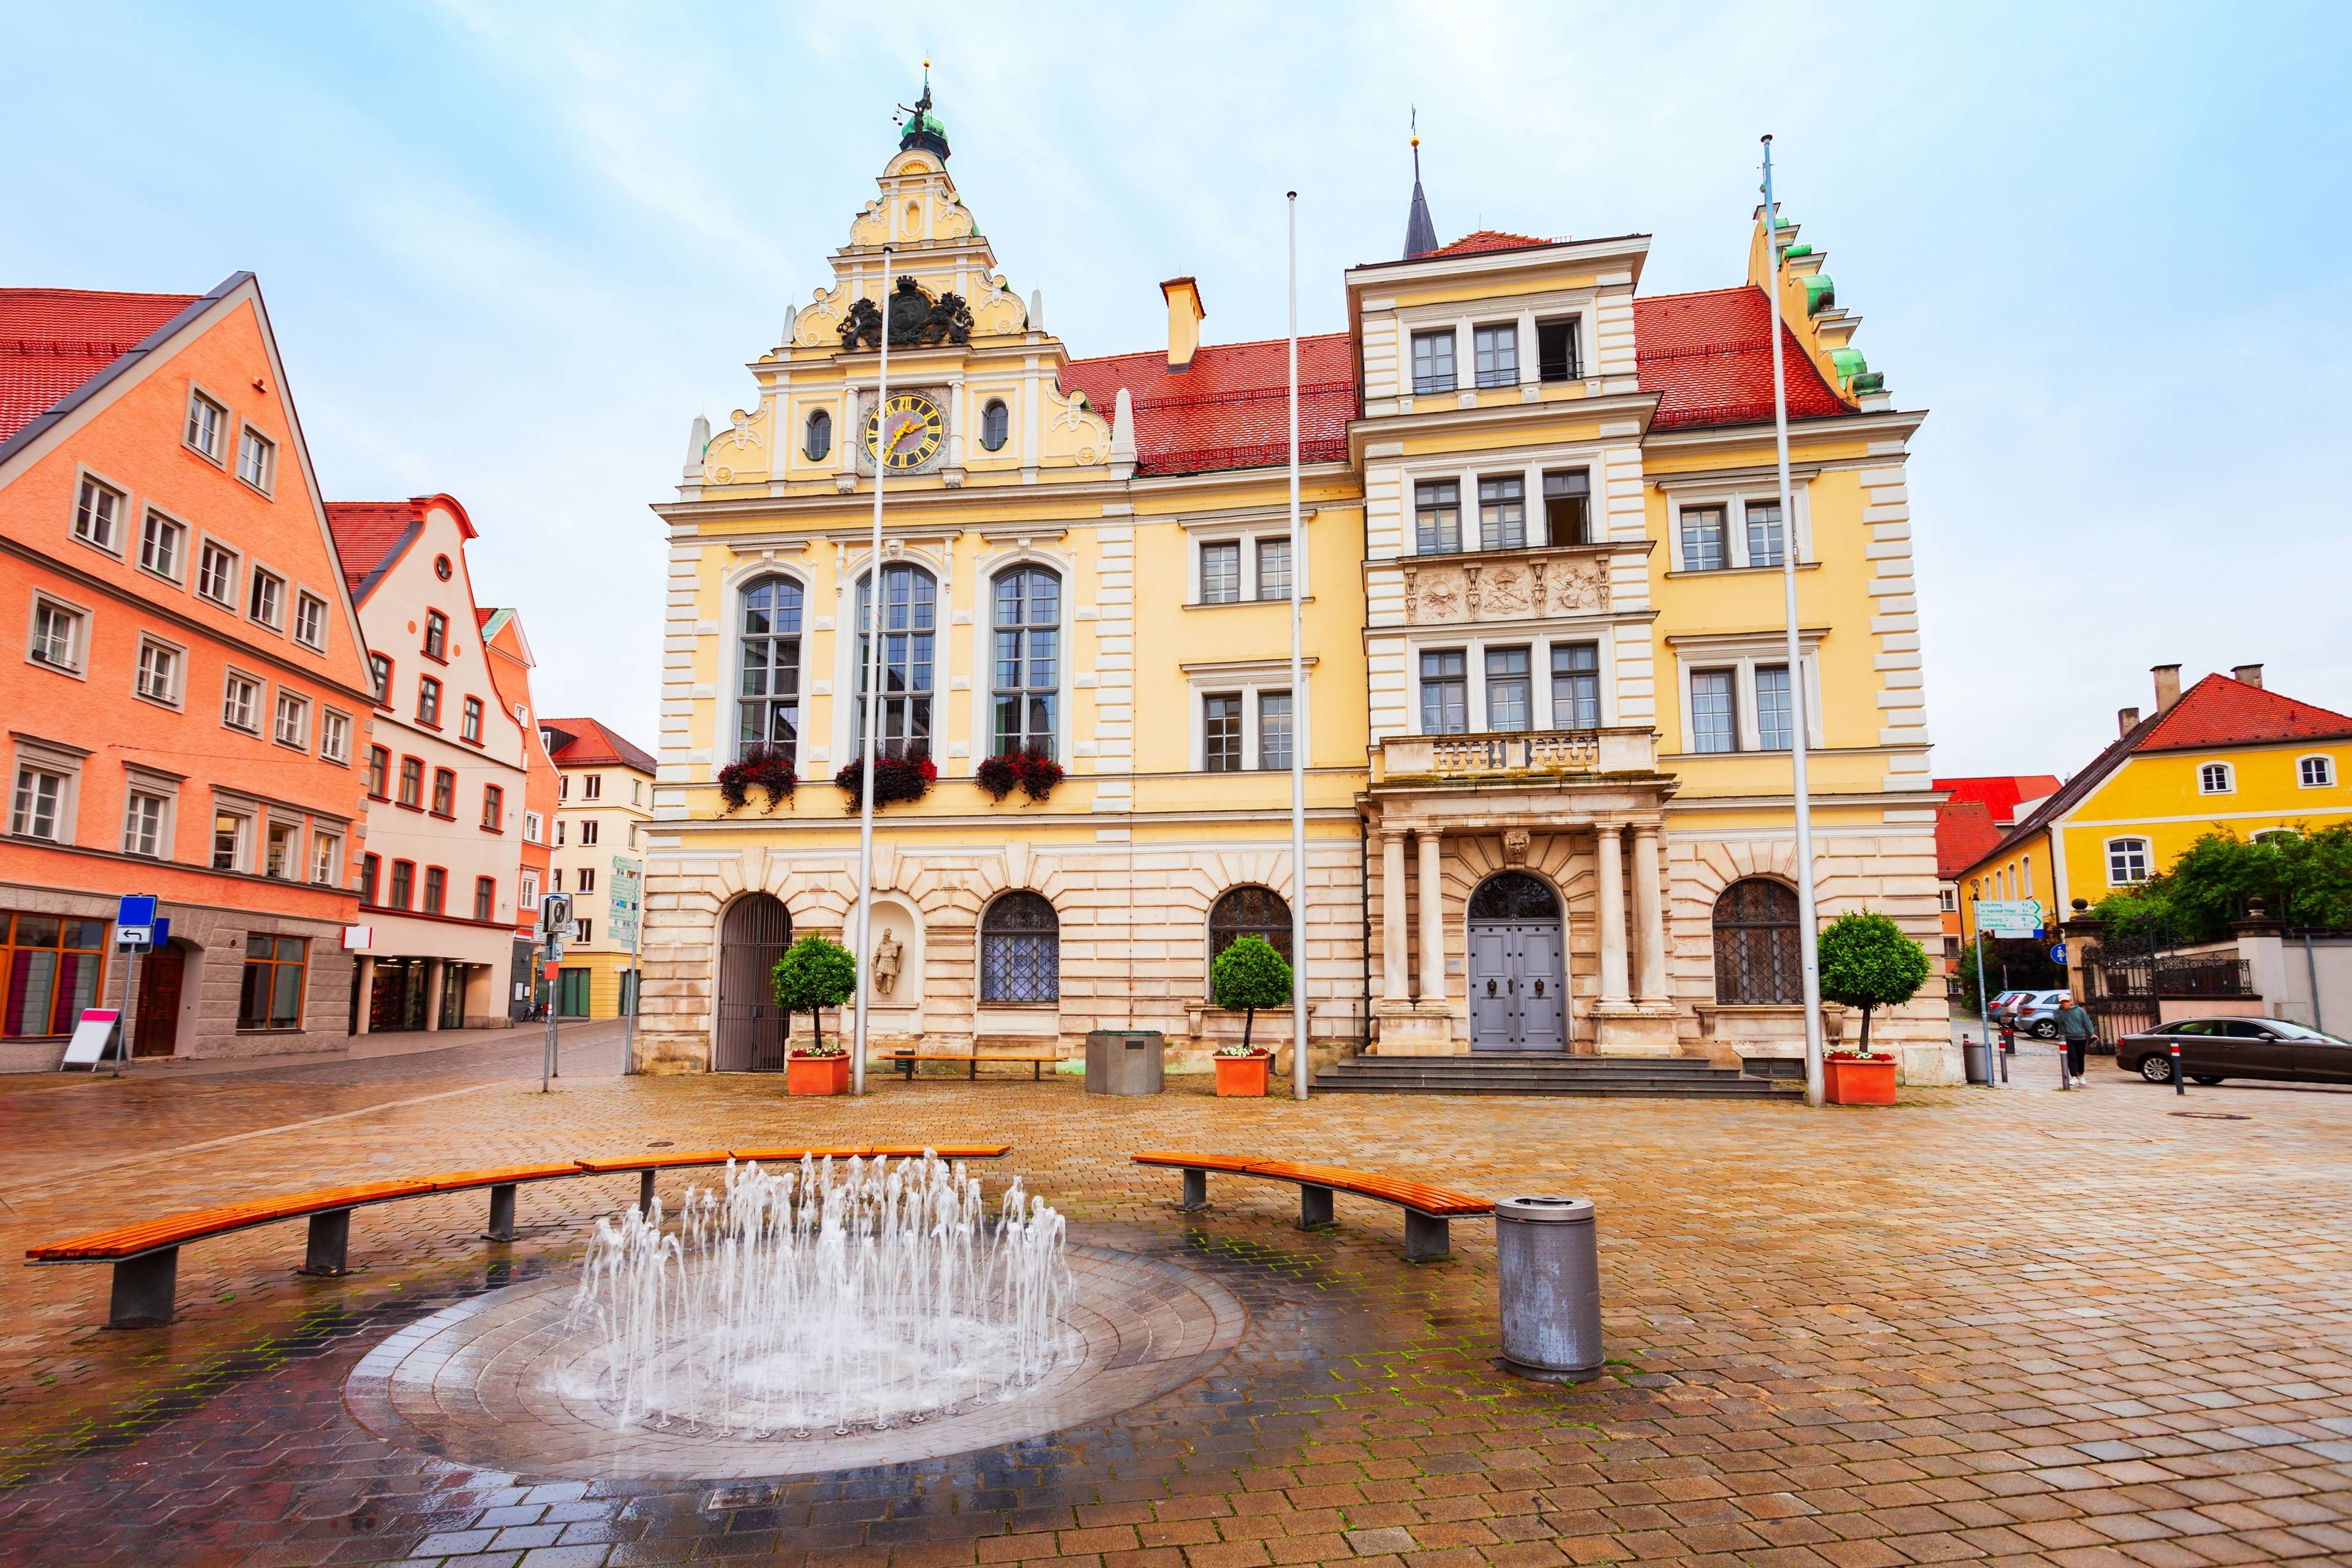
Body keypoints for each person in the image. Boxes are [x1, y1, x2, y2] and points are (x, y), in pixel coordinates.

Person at [2052, 992, 2096, 1087]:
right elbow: (2058, 1021)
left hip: (2080, 1037)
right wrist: (2064, 1011)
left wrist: (2092, 1034)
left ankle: (2081, 1075)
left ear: (2070, 1001)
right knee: (2072, 1057)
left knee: (2081, 1058)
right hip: (2067, 1038)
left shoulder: (2079, 1010)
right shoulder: (2057, 1012)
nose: (2065, 1003)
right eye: (2062, 1002)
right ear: (2060, 1003)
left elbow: (2087, 1022)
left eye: (2066, 1001)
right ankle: (2074, 1077)